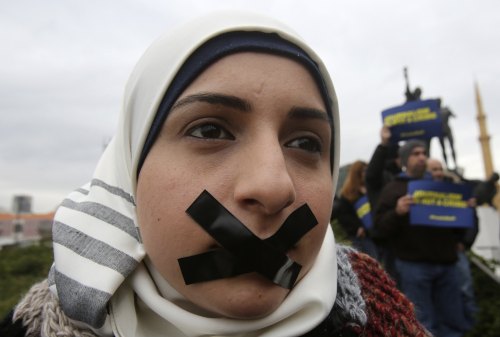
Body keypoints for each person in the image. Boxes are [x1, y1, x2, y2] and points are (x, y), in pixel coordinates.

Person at [1, 12, 431, 337]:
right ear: (131, 168)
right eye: (210, 130)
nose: (273, 187)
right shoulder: (33, 327)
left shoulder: (381, 310)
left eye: (305, 143)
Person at [374, 140, 469, 337]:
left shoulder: (441, 186)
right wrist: (397, 212)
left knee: (452, 321)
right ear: (405, 160)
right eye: (415, 153)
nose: (421, 157)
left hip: (447, 264)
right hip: (413, 267)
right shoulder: (393, 189)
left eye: (424, 153)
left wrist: (464, 210)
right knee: (423, 325)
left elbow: (459, 227)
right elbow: (379, 228)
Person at [427, 158, 478, 331]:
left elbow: (472, 223)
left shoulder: (456, 191)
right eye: (433, 170)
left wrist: (464, 242)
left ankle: (472, 327)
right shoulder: (419, 193)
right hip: (431, 255)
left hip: (455, 252)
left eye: (439, 169)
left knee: (465, 291)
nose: (438, 173)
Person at [365, 125, 401, 280]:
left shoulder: (402, 178)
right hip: (387, 239)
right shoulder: (381, 177)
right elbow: (372, 173)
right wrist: (383, 145)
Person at [332, 160, 378, 259]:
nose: (367, 172)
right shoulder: (348, 194)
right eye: (364, 170)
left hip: (376, 232)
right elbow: (343, 215)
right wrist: (357, 227)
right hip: (362, 236)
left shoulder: (371, 188)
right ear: (357, 173)